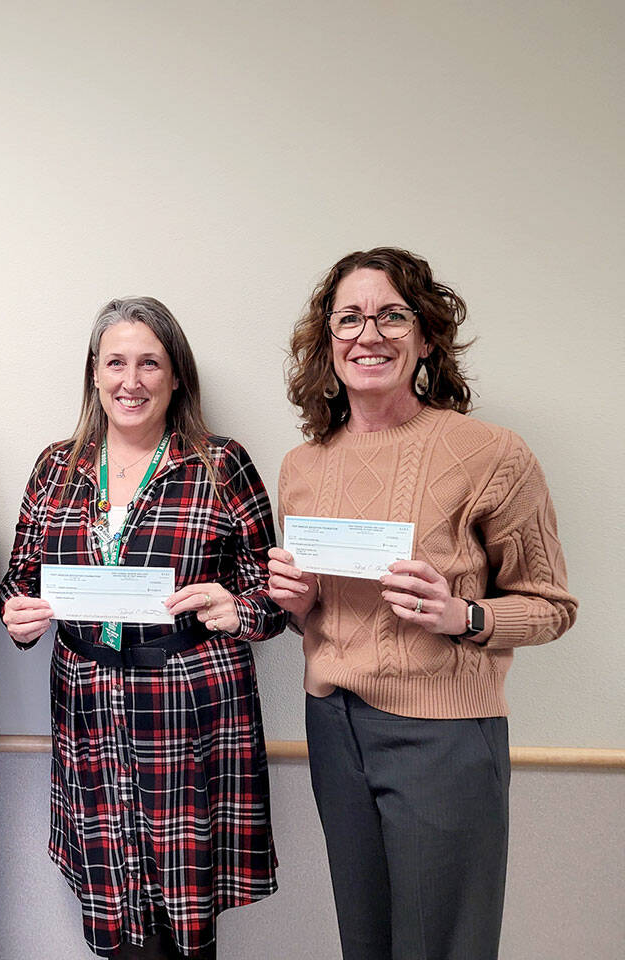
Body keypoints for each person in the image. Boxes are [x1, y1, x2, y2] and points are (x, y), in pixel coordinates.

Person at [268, 248, 578, 960]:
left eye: (391, 316)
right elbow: (322, 620)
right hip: (333, 727)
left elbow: (553, 605)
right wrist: (301, 604)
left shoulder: (492, 454)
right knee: (366, 943)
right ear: (328, 343)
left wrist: (463, 616)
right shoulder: (303, 465)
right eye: (349, 318)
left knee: (441, 947)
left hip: (443, 738)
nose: (367, 334)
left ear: (427, 338)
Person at [0, 297, 287, 959]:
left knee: (183, 919)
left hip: (191, 710)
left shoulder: (220, 463)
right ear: (94, 376)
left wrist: (238, 606)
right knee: (115, 907)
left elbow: (277, 592)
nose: (131, 380)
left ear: (176, 375)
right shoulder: (56, 466)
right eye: (116, 362)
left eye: (149, 363)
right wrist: (18, 615)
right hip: (88, 706)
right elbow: (21, 577)